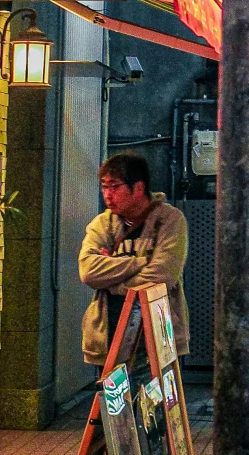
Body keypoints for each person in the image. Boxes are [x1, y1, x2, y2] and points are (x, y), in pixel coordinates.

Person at [80, 150, 190, 368]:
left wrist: (112, 280)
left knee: (152, 398)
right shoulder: (103, 224)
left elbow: (162, 276)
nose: (108, 194)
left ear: (138, 188)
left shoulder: (169, 220)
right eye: (104, 186)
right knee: (113, 398)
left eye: (114, 186)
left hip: (156, 332)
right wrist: (138, 262)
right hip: (107, 331)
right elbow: (88, 270)